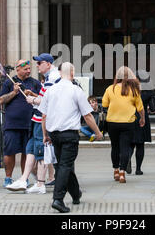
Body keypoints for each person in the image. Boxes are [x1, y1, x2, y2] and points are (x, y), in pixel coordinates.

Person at [39, 62, 103, 213]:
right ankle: (58, 199)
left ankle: (75, 194)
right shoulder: (76, 91)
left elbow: (43, 116)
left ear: (60, 73)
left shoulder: (50, 90)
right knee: (65, 165)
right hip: (69, 135)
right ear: (72, 73)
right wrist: (98, 132)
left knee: (63, 164)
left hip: (54, 134)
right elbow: (87, 115)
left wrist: (45, 135)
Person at [6, 53, 58, 193]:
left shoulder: (52, 77)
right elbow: (44, 96)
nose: (36, 66)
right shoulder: (48, 77)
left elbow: (47, 101)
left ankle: (40, 184)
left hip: (43, 118)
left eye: (39, 63)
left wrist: (33, 100)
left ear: (47, 64)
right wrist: (34, 96)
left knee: (40, 149)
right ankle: (23, 179)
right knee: (30, 148)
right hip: (37, 118)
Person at [0, 59, 42, 187]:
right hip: (12, 124)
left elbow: (42, 98)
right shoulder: (9, 82)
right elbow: (1, 100)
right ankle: (8, 177)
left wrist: (32, 93)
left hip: (29, 123)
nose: (28, 71)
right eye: (25, 69)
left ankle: (25, 177)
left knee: (27, 152)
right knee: (9, 152)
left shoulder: (34, 82)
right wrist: (14, 92)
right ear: (18, 69)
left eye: (29, 69)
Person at [102, 66, 145, 184]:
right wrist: (142, 119)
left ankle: (115, 170)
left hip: (112, 122)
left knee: (115, 147)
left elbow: (105, 104)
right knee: (125, 147)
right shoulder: (134, 90)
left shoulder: (110, 88)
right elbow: (140, 108)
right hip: (128, 123)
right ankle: (122, 173)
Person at [127, 70, 155, 175]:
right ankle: (138, 169)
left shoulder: (129, 89)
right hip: (142, 117)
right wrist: (148, 107)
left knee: (130, 143)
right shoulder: (149, 91)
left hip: (130, 116)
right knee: (140, 144)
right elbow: (153, 108)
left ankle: (127, 160)